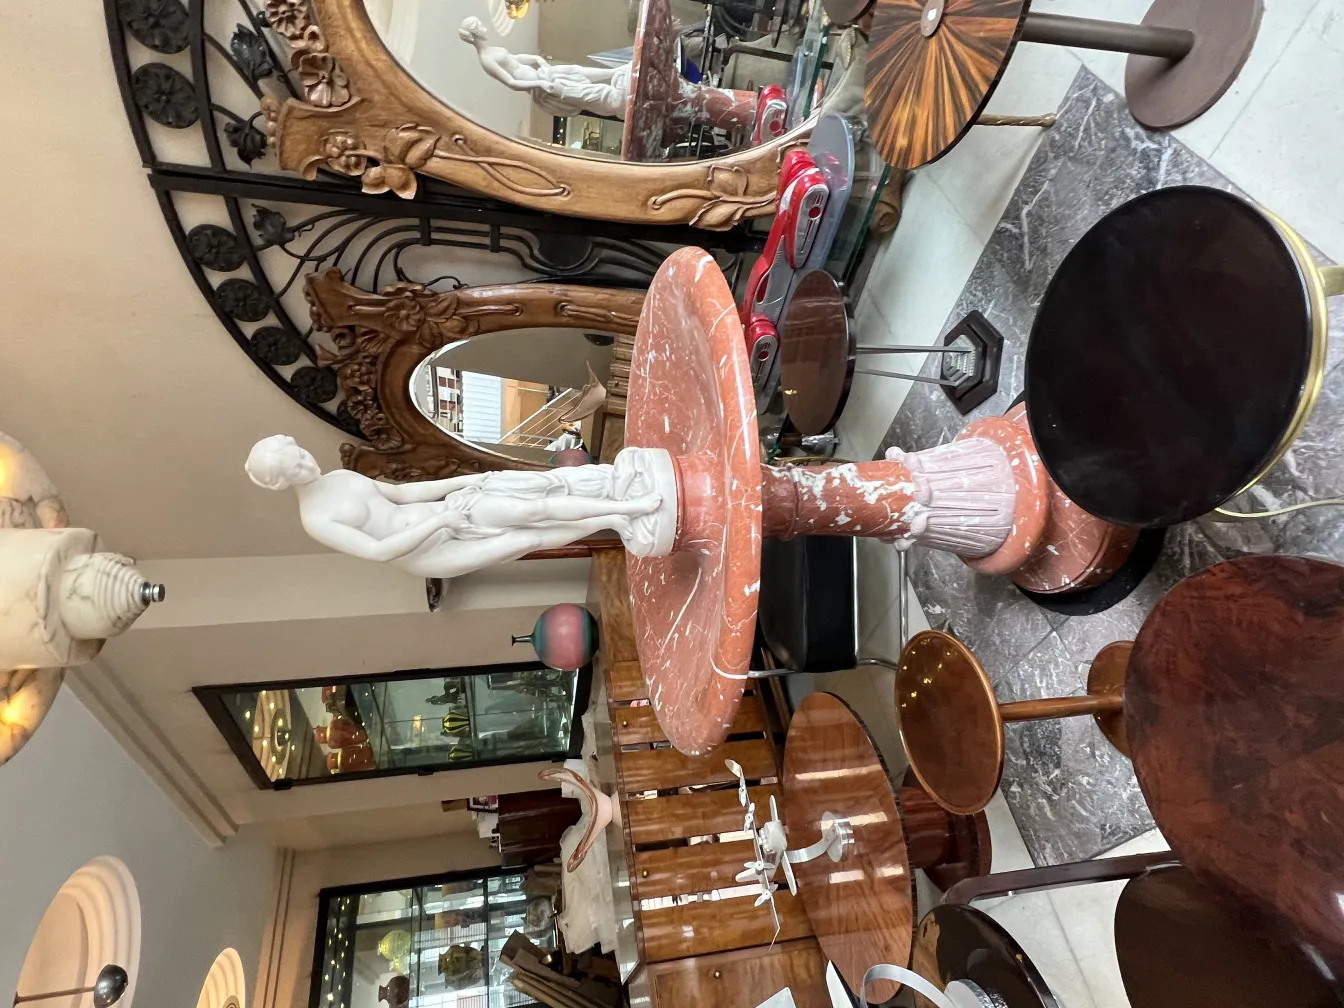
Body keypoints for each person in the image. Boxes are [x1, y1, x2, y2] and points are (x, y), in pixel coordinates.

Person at [244, 435, 662, 578]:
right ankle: (612, 519)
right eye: (294, 466)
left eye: (299, 453)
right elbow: (379, 551)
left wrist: (467, 481)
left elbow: (406, 494)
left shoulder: (341, 477)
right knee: (528, 539)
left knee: (531, 509)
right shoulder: (315, 519)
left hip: (448, 513)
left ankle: (623, 506)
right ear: (282, 483)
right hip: (430, 551)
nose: (306, 462)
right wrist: (441, 520)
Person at [457, 16, 631, 120]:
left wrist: (536, 58)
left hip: (540, 74)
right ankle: (614, 100)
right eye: (479, 26)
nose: (484, 27)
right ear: (473, 34)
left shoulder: (492, 50)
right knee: (578, 91)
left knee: (574, 70)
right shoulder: (486, 60)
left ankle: (615, 72)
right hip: (539, 86)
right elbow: (511, 82)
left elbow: (516, 59)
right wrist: (539, 84)